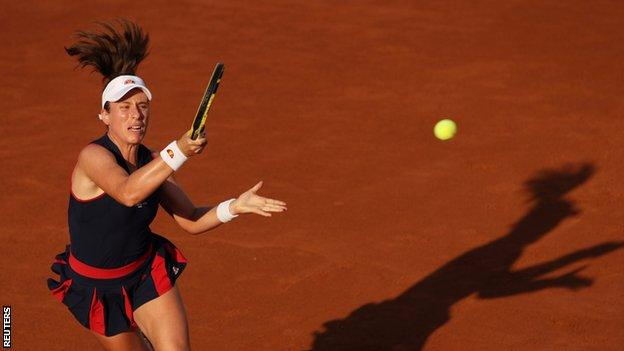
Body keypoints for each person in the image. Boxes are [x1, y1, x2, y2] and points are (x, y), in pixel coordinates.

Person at [46, 20, 287, 351]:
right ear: (104, 115)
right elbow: (128, 192)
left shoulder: (155, 163)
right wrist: (181, 150)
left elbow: (190, 219)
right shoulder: (93, 157)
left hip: (145, 274)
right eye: (124, 107)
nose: (136, 115)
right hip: (96, 289)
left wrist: (235, 206)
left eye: (142, 106)